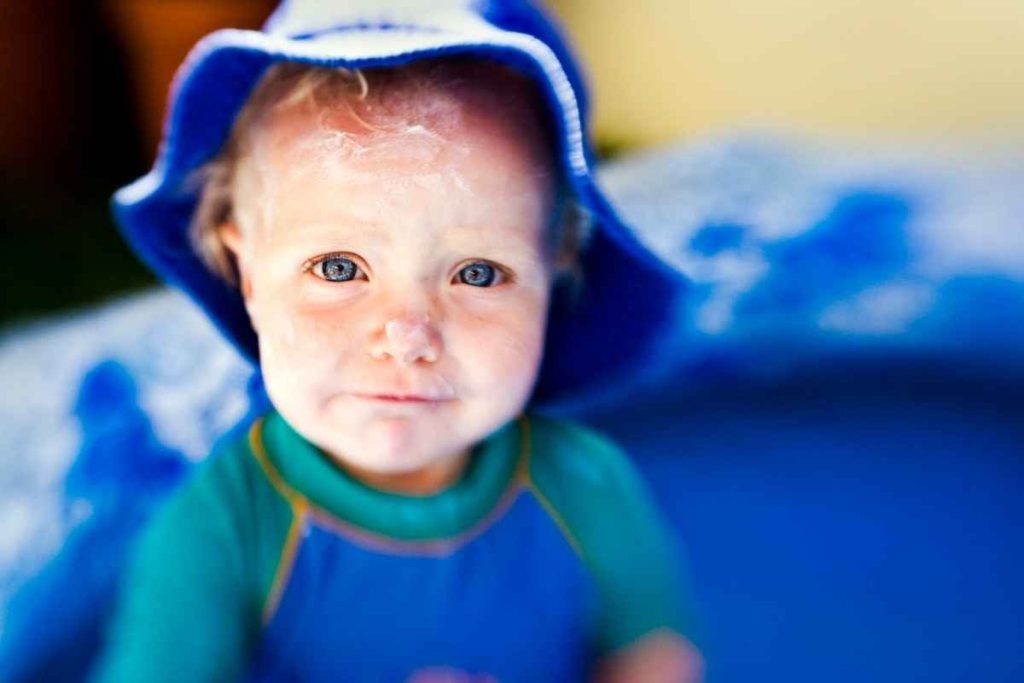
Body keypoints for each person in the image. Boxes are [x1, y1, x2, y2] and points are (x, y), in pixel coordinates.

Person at [92, 1, 702, 680]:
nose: (408, 337)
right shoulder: (222, 528)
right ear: (248, 277)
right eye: (338, 268)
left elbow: (651, 652)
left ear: (555, 271)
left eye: (478, 272)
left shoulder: (588, 484)